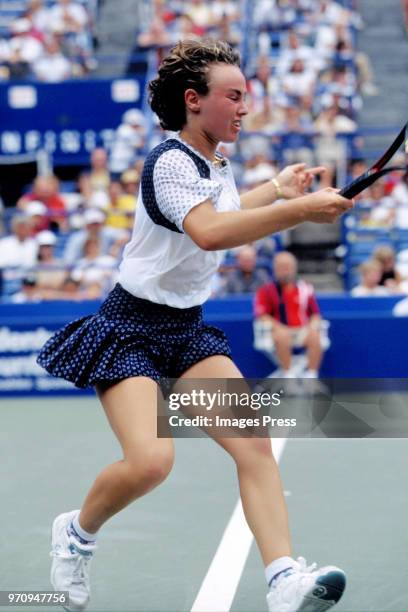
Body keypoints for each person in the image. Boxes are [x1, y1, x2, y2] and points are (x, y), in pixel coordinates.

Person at [37, 39, 353, 612]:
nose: (244, 107)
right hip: (130, 326)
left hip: (186, 329)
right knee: (151, 462)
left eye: (245, 96)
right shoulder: (169, 161)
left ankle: (284, 581)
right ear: (193, 101)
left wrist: (278, 191)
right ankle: (76, 532)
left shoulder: (213, 163)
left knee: (253, 445)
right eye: (233, 96)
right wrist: (300, 212)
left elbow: (223, 213)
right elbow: (210, 232)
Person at [254, 251, 324, 378]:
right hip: (278, 332)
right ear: (275, 269)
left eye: (287, 267)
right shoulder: (266, 290)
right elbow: (262, 315)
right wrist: (278, 327)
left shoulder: (305, 288)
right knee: (282, 335)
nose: (285, 271)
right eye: (281, 267)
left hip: (302, 331)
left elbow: (315, 314)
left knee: (315, 336)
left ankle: (311, 375)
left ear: (294, 268)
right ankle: (288, 374)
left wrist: (312, 326)